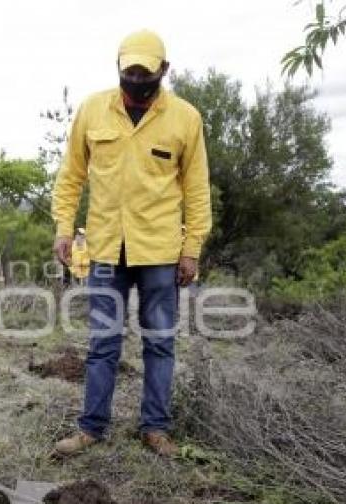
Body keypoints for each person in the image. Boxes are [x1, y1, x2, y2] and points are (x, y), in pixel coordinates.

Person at [51, 30, 212, 457]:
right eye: (130, 71)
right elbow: (70, 176)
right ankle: (91, 428)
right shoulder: (92, 110)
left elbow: (196, 189)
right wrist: (64, 228)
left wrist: (191, 247)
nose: (137, 79)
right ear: (119, 68)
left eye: (145, 71)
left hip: (160, 250)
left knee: (159, 340)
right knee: (103, 341)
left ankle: (154, 428)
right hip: (105, 246)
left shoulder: (185, 118)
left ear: (164, 70)